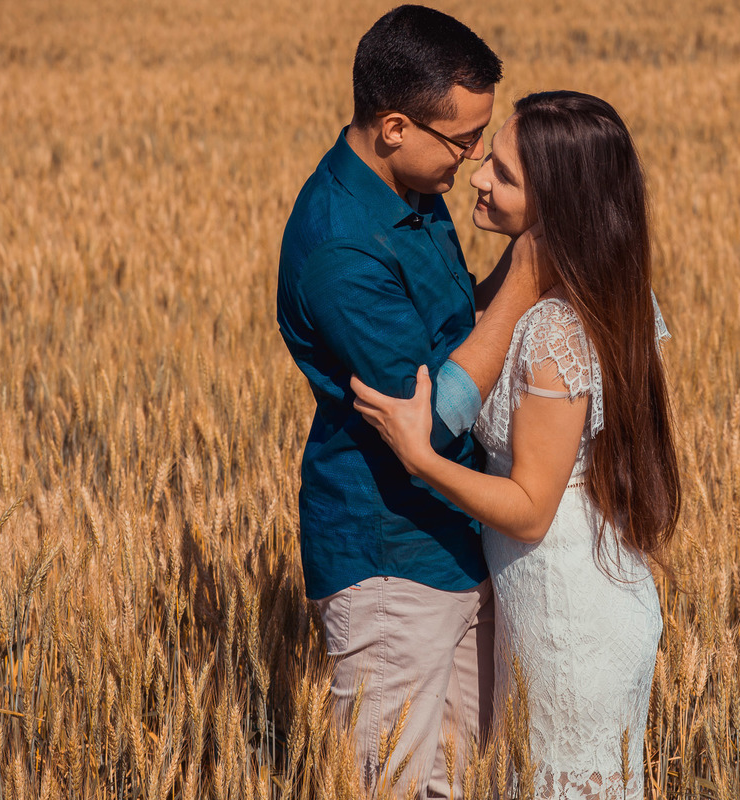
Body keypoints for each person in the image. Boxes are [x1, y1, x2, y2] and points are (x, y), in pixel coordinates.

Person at [352, 91, 681, 799]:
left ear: (555, 207)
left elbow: (532, 506)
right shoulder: (593, 293)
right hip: (567, 601)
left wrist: (422, 460)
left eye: (502, 173)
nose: (478, 176)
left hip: (568, 623)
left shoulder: (553, 332)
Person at [275, 6, 546, 798]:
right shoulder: (340, 248)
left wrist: (542, 256)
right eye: (462, 141)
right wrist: (526, 281)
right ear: (394, 126)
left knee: (461, 786)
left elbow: (461, 326)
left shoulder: (414, 188)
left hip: (459, 541)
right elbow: (425, 420)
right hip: (391, 561)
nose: (470, 160)